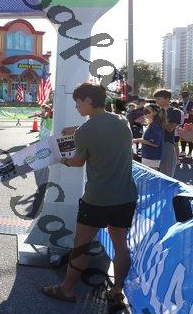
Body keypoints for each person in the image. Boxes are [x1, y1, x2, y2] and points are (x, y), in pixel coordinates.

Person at [42, 83, 137, 309]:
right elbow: (102, 131)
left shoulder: (85, 131)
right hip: (125, 196)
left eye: (78, 102)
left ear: (88, 100)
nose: (76, 106)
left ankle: (66, 289)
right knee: (120, 245)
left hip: (97, 198)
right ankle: (117, 291)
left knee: (81, 244)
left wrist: (61, 159)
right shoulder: (122, 121)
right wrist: (77, 130)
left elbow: (77, 162)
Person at [154, 89, 182, 177]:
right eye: (156, 99)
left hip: (167, 143)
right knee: (155, 173)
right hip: (154, 144)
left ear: (167, 99)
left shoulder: (175, 111)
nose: (156, 101)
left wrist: (161, 117)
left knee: (166, 174)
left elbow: (170, 129)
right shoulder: (157, 111)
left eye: (159, 99)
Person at [132, 104, 164, 170]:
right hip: (148, 156)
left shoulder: (155, 126)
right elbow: (147, 139)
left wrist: (139, 140)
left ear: (154, 113)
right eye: (144, 111)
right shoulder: (152, 124)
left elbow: (155, 143)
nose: (145, 113)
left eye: (147, 111)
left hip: (152, 157)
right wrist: (136, 140)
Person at [181, 91, 193, 157]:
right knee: (183, 137)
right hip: (182, 122)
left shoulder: (191, 103)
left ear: (188, 96)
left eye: (185, 96)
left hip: (190, 122)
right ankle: (183, 151)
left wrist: (188, 112)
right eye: (183, 96)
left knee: (190, 137)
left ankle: (190, 153)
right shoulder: (180, 103)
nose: (184, 98)